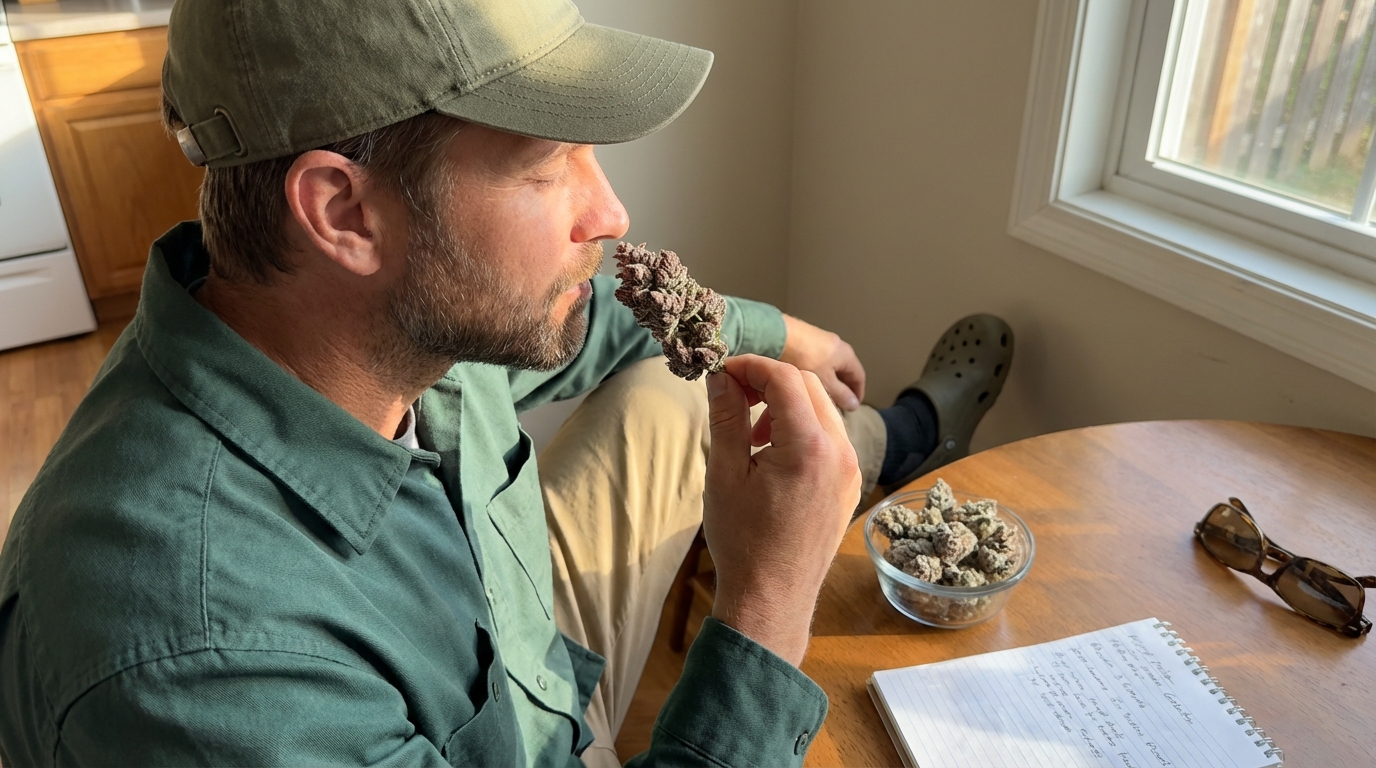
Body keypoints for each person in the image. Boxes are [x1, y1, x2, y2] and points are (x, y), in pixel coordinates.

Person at [0, 0, 1013, 765]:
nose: (608, 210)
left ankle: (891, 437)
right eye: (548, 162)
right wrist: (763, 607)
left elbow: (586, 325)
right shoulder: (205, 664)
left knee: (679, 388)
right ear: (342, 213)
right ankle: (891, 449)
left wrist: (782, 332)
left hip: (528, 668)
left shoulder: (377, 323)